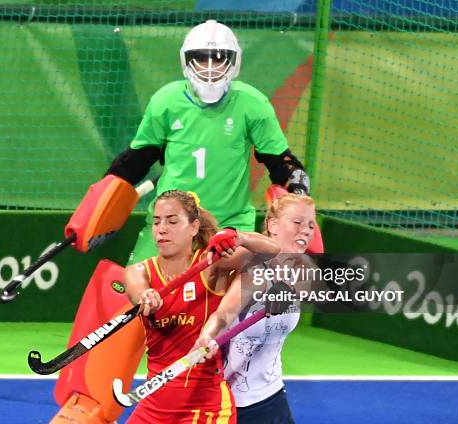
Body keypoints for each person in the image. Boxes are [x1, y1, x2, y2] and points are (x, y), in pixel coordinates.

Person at [97, 19, 311, 264]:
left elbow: (282, 164)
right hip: (169, 225)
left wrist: (299, 196)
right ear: (186, 61)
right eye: (201, 59)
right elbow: (134, 162)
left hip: (230, 229)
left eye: (219, 59)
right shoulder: (166, 101)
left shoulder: (253, 105)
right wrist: (100, 202)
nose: (210, 68)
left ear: (234, 62)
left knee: (229, 300)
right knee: (135, 296)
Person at [124, 189, 280, 424]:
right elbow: (137, 291)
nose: (161, 229)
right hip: (154, 403)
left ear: (194, 227)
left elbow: (274, 252)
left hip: (205, 406)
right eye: (156, 222)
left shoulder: (210, 265)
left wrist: (238, 237)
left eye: (172, 221)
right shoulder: (139, 272)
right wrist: (145, 296)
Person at [192, 193, 317, 424]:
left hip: (272, 396)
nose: (307, 230)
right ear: (272, 225)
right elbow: (221, 317)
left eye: (311, 225)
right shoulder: (253, 269)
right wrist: (206, 338)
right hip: (229, 403)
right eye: (297, 222)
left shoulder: (301, 270)